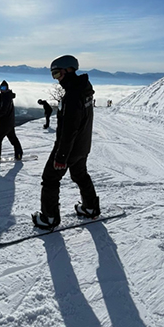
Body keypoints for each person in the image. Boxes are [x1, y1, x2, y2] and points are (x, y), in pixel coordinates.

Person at [32, 55, 100, 229]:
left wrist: (61, 157)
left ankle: (49, 218)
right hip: (83, 146)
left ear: (68, 70)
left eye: (57, 74)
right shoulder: (84, 89)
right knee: (79, 175)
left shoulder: (72, 97)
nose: (57, 79)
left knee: (50, 179)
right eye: (54, 75)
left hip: (68, 149)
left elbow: (69, 131)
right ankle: (90, 207)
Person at [0, 80, 23, 161]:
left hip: (4, 123)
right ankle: (18, 154)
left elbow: (3, 111)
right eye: (0, 87)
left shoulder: (6, 98)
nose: (2, 89)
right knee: (13, 139)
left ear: (7, 88)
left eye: (3, 88)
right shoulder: (7, 96)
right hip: (10, 122)